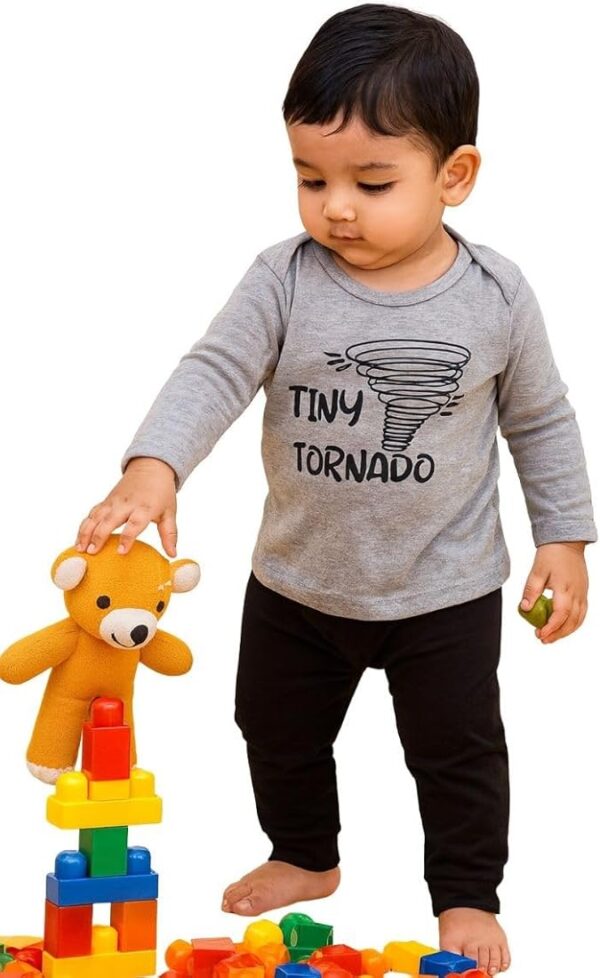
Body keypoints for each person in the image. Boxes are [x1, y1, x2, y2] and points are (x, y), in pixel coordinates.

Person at [75, 5, 597, 975]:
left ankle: (466, 892)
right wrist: (155, 465)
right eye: (311, 179)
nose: (337, 209)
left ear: (455, 176)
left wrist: (563, 540)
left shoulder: (497, 297)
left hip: (444, 589)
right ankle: (306, 853)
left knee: (457, 752)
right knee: (272, 728)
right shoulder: (284, 279)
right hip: (297, 581)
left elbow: (541, 421)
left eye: (371, 182)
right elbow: (215, 370)